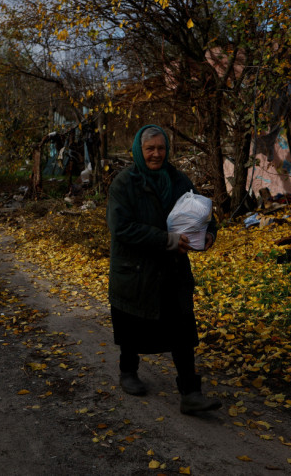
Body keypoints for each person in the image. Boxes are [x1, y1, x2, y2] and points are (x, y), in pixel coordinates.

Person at [106, 124, 221, 415]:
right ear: (139, 150)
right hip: (136, 270)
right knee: (133, 322)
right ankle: (128, 372)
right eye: (150, 149)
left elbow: (202, 211)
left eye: (161, 148)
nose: (156, 154)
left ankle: (191, 392)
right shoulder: (124, 183)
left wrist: (208, 234)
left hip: (172, 270)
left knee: (182, 326)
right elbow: (121, 228)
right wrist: (166, 240)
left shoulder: (178, 179)